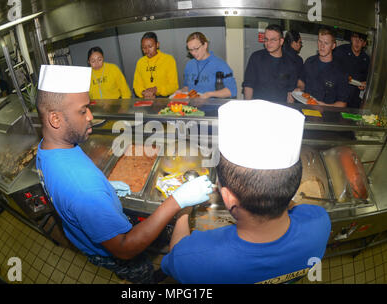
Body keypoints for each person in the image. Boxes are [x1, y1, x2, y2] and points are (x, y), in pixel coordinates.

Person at [35, 64, 212, 284]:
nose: (90, 116)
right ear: (55, 119)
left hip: (87, 234)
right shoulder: (84, 189)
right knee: (139, 270)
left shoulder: (47, 149)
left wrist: (107, 189)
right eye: (82, 110)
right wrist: (177, 201)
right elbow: (125, 248)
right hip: (112, 252)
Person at [161, 100, 331, 284]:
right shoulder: (320, 222)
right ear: (294, 183)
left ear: (227, 196)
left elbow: (176, 253)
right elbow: (297, 207)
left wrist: (183, 211)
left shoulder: (193, 258)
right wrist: (277, 192)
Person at [242, 25, 299, 103]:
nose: (268, 43)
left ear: (281, 41)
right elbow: (248, 86)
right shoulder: (256, 57)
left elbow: (290, 92)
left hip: (279, 108)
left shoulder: (291, 63)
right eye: (266, 39)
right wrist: (248, 106)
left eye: (273, 40)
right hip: (258, 107)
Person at [294, 28, 350, 107]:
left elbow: (342, 103)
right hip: (306, 108)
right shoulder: (309, 62)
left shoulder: (340, 70)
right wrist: (299, 88)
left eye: (326, 43)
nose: (322, 46)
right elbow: (302, 80)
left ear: (333, 46)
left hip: (327, 113)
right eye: (320, 41)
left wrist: (324, 106)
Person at [178, 32, 237, 99]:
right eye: (190, 50)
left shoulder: (220, 65)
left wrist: (209, 94)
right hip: (192, 108)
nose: (193, 53)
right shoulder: (189, 65)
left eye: (196, 49)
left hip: (211, 107)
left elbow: (232, 91)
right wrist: (181, 91)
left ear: (205, 45)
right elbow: (187, 87)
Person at [133, 32, 179, 98]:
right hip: (146, 99)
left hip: (164, 99)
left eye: (150, 47)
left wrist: (156, 90)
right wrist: (143, 93)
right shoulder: (140, 62)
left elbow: (174, 86)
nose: (147, 50)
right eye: (144, 48)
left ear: (157, 44)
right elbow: (137, 86)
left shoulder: (168, 59)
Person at [333, 31, 370, 108]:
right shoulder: (340, 51)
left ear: (364, 44)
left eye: (360, 40)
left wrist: (365, 84)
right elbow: (330, 68)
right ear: (351, 38)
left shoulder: (366, 59)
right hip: (337, 94)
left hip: (354, 97)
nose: (357, 42)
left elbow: (367, 78)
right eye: (355, 38)